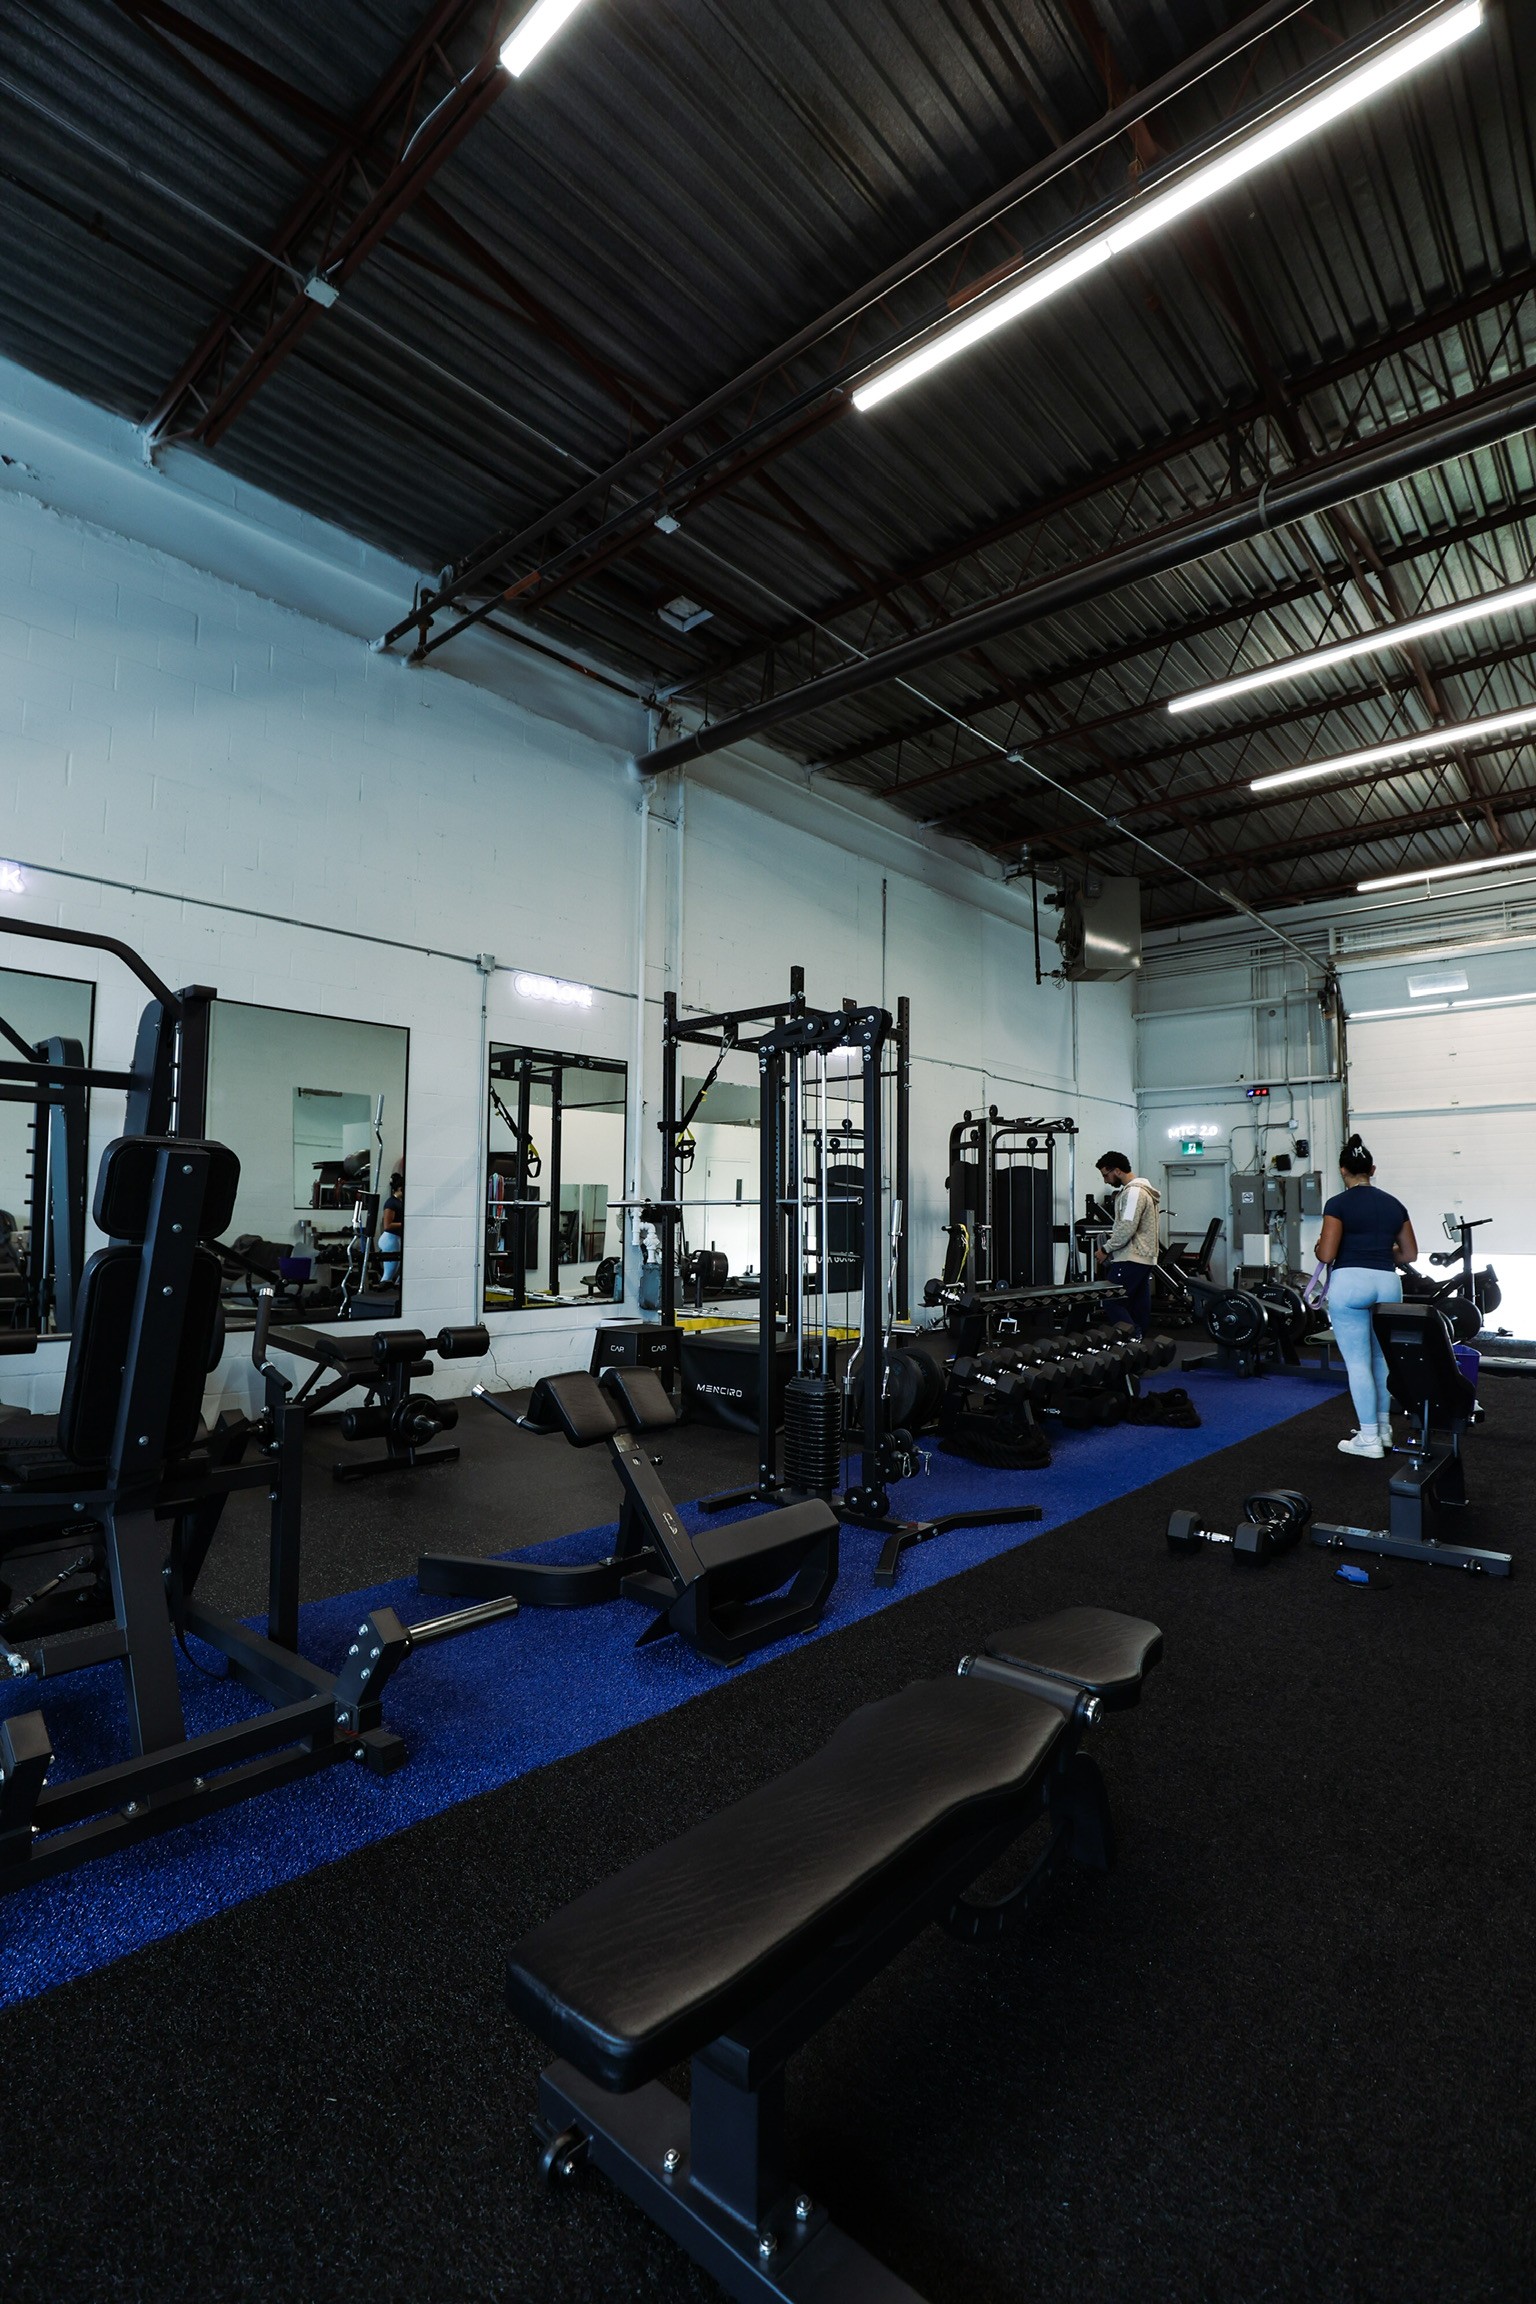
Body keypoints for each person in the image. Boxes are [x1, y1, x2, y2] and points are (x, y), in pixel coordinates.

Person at [1313, 1133, 1416, 1458]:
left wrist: (1319, 1246)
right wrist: (1383, 1253)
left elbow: (1327, 1254)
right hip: (1388, 1283)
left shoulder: (1338, 1204)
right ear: (1372, 1169)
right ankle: (1383, 1430)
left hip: (1351, 1283)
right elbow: (1409, 1254)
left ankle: (1369, 1438)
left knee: (1358, 1363)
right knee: (1381, 1359)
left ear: (1343, 1170)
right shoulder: (1394, 1204)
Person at [1094, 1152, 1161, 1336]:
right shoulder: (1142, 1190)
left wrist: (1105, 1249)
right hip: (1144, 1258)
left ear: (1117, 1171)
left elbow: (1127, 1227)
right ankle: (1140, 1344)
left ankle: (1132, 1337)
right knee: (1138, 1304)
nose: (1106, 1181)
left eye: (1106, 1175)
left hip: (1131, 1257)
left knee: (1111, 1300)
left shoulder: (1133, 1193)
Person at [378, 1161, 404, 1286]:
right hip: (390, 1240)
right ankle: (381, 1293)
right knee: (389, 1274)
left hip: (396, 1239)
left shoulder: (400, 1202)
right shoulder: (391, 1202)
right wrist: (405, 1224)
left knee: (399, 1272)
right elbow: (387, 1226)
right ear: (400, 1189)